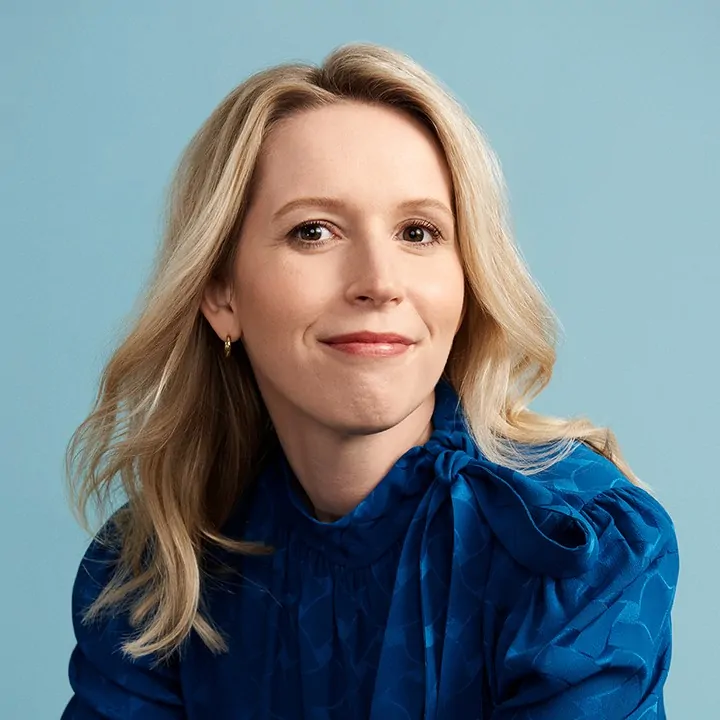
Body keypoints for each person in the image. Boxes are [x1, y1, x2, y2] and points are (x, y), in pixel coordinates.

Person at [60, 42, 679, 719]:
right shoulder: (155, 570)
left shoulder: (571, 543)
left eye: (418, 232)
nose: (380, 283)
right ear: (220, 293)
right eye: (314, 232)